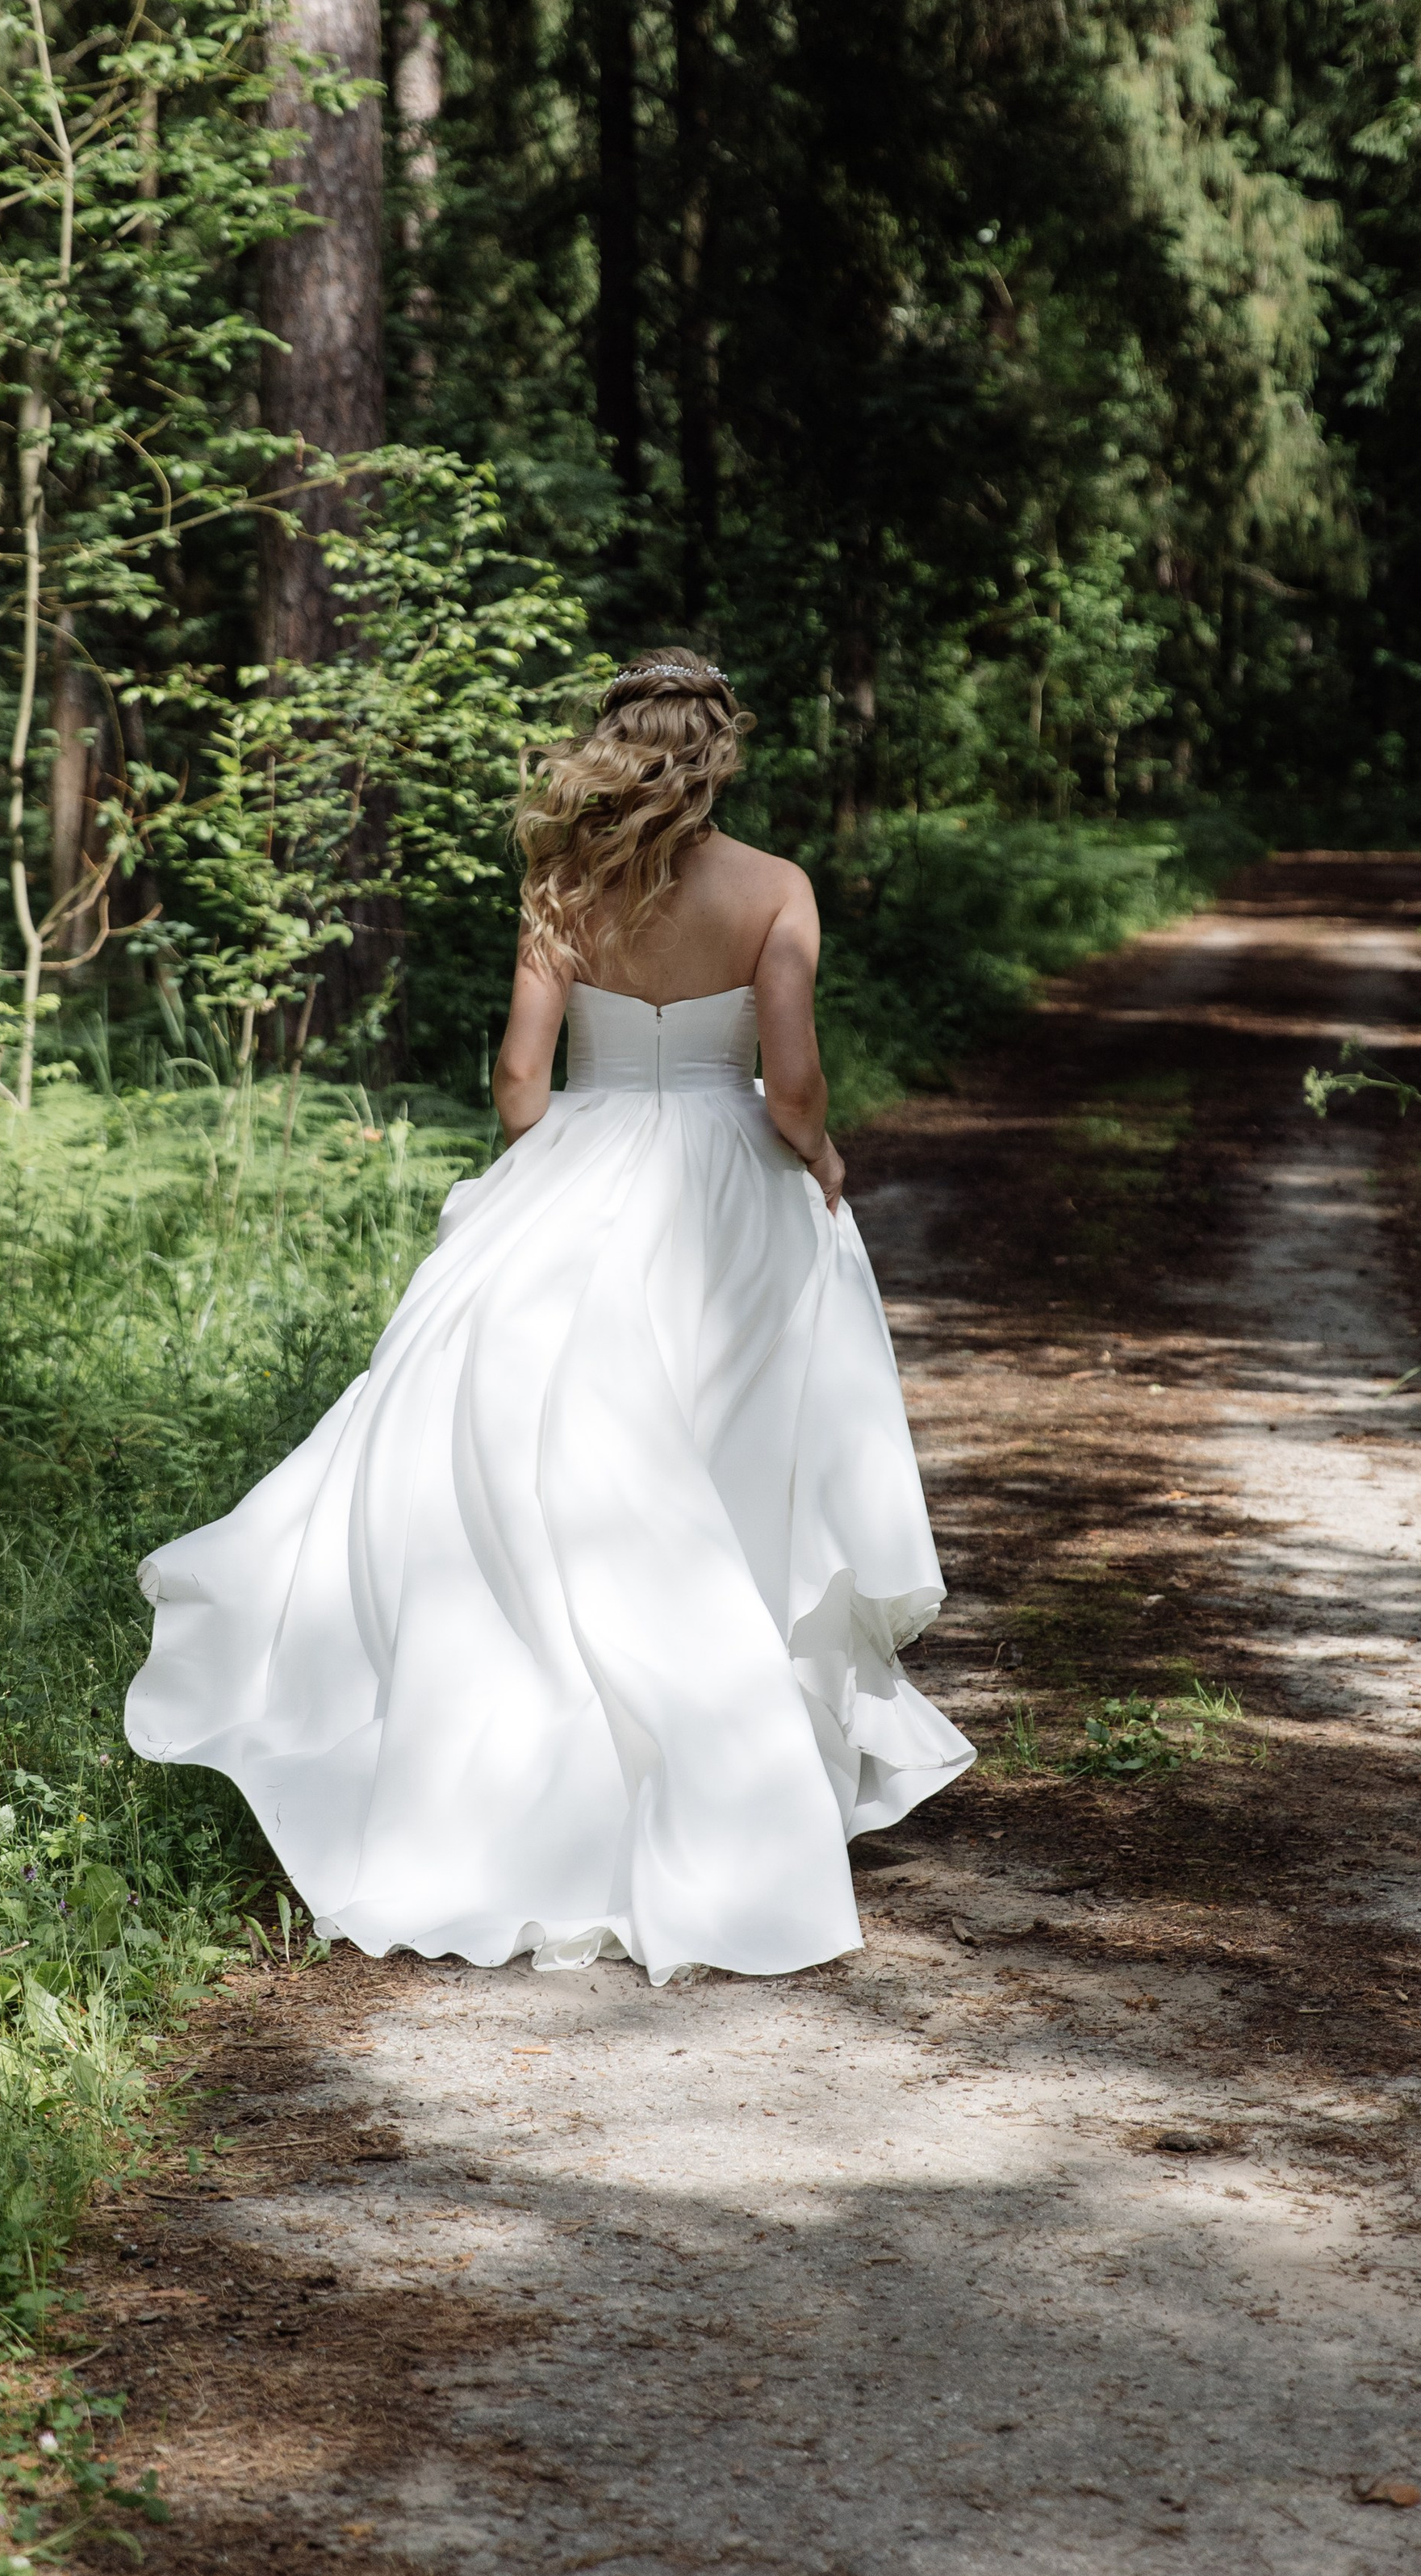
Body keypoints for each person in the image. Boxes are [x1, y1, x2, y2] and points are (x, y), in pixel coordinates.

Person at [125, 652, 972, 1984]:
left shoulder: (565, 888)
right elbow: (793, 1084)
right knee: (733, 1476)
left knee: (544, 1482)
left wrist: (563, 1155)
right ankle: (741, 1777)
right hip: (726, 1194)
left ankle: (535, 1781)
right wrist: (810, 1166)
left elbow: (522, 1082)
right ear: (721, 753)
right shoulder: (778, 892)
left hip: (577, 1178)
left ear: (616, 746)